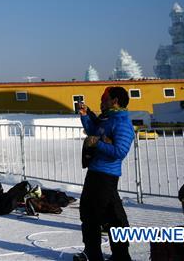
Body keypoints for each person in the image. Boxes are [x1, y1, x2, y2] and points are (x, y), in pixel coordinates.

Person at [76, 86, 134, 261]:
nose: (101, 103)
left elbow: (120, 151)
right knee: (108, 215)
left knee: (96, 215)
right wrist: (85, 115)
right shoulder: (108, 119)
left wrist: (97, 144)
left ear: (115, 101)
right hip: (95, 172)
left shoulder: (122, 123)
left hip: (106, 175)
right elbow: (94, 132)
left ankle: (98, 254)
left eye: (104, 99)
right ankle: (117, 255)